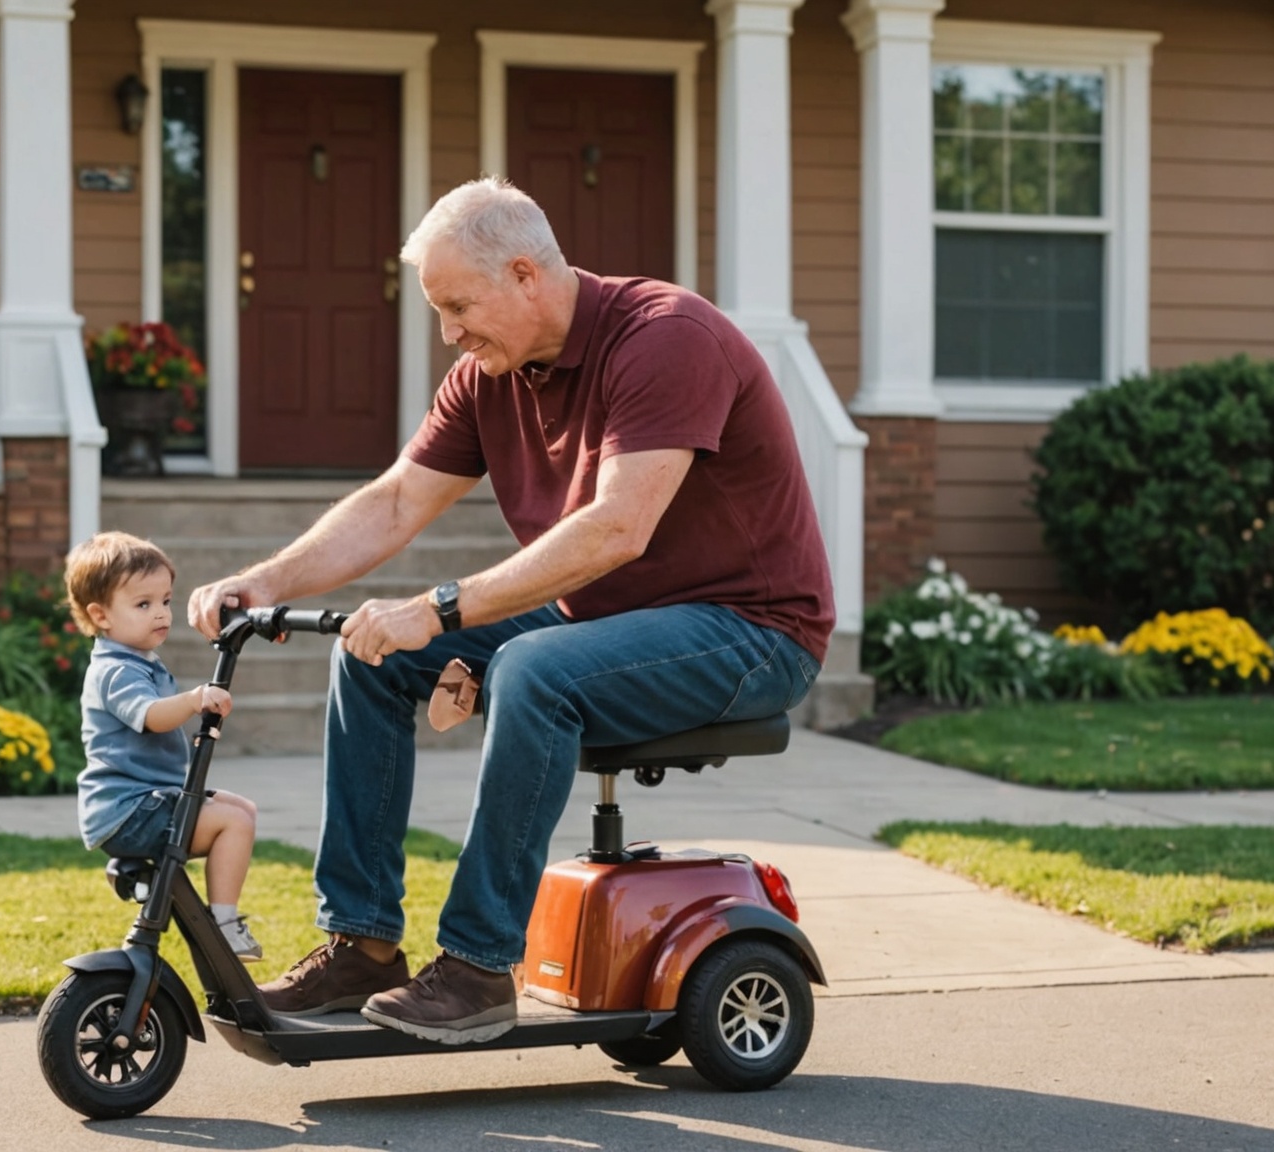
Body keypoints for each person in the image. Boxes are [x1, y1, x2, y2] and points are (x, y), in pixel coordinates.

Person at [188, 176, 833, 1042]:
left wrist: (444, 606)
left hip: (750, 631)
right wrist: (267, 582)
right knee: (367, 650)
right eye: (439, 312)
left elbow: (616, 529)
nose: (450, 333)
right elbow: (393, 504)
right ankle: (363, 943)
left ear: (526, 274)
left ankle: (479, 966)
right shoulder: (488, 374)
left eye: (459, 306)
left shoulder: (665, 338)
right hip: (608, 622)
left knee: (532, 666)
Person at [68, 531, 263, 959]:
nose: (161, 614)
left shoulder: (136, 659)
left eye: (165, 601)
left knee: (242, 810)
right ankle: (225, 926)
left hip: (147, 801)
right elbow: (152, 716)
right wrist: (195, 700)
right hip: (130, 810)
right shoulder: (116, 671)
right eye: (143, 604)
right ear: (101, 615)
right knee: (235, 823)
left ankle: (141, 880)